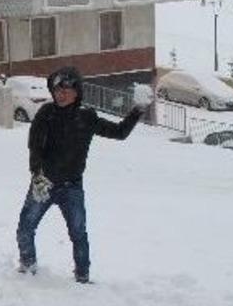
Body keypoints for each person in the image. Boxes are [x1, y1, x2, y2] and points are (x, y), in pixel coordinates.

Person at [16, 65, 144, 283]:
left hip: (71, 187)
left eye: (67, 90)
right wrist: (37, 175)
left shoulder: (87, 117)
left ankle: (82, 276)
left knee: (78, 233)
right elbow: (34, 146)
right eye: (57, 90)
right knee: (25, 227)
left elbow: (120, 132)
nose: (61, 94)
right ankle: (28, 268)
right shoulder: (46, 114)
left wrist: (138, 109)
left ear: (77, 92)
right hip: (43, 183)